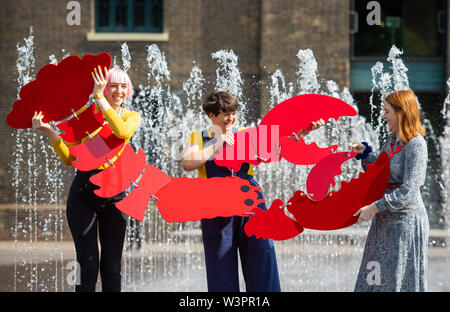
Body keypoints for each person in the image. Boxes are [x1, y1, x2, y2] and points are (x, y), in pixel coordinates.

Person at [181, 91, 323, 292]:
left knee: (262, 259)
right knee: (220, 269)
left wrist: (302, 132)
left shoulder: (246, 133)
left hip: (252, 207)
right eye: (224, 114)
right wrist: (217, 144)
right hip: (216, 210)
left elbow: (279, 148)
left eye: (233, 113)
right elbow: (188, 162)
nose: (230, 119)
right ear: (212, 116)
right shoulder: (199, 137)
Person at [31, 66, 141, 292]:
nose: (118, 91)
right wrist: (51, 133)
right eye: (112, 85)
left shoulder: (131, 116)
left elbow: (120, 131)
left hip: (116, 199)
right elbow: (69, 158)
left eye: (123, 86)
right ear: (102, 86)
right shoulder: (86, 118)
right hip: (82, 198)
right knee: (87, 265)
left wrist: (100, 98)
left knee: (111, 267)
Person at [350, 89, 429, 292]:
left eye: (387, 111)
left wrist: (375, 207)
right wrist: (366, 154)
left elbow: (410, 189)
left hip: (405, 222)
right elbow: (384, 171)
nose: (383, 116)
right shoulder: (392, 140)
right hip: (385, 217)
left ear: (401, 113)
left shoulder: (416, 145)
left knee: (396, 279)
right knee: (374, 276)